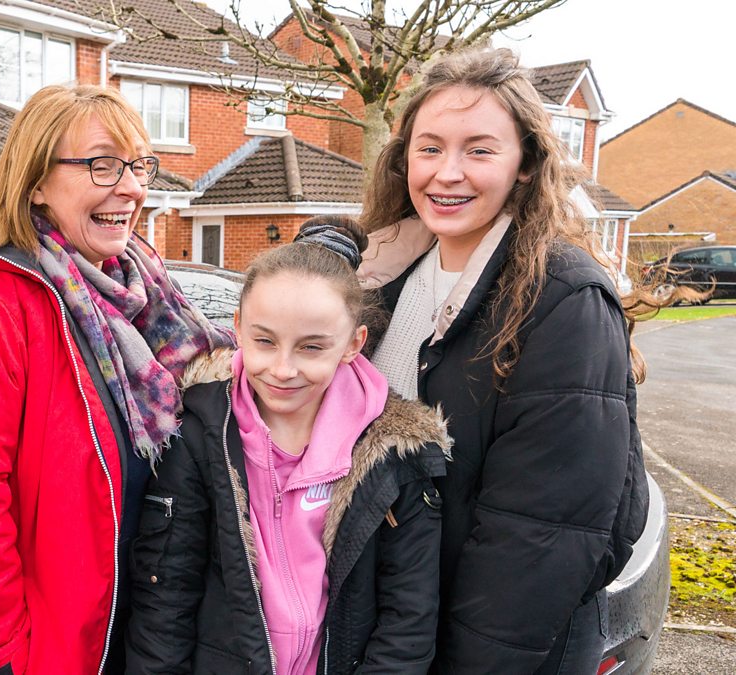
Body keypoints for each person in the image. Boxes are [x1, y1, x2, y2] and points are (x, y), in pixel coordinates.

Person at [0, 84, 233, 675]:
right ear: (36, 183)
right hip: (35, 656)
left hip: (133, 640)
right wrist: (3, 659)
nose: (132, 187)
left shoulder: (146, 302)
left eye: (139, 166)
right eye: (103, 164)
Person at [358, 48, 649, 674]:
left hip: (500, 649)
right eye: (430, 148)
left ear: (526, 165)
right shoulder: (387, 275)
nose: (447, 173)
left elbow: (543, 535)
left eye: (480, 150)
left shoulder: (561, 298)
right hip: (401, 630)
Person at [126, 215, 452, 674]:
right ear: (239, 328)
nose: (283, 369)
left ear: (353, 343)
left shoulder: (398, 452)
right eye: (265, 341)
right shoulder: (199, 435)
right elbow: (166, 598)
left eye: (311, 347)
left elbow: (408, 619)